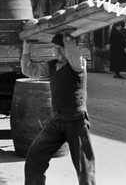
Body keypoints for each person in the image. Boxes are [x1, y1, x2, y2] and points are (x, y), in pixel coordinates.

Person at [21, 33, 95, 185]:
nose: (57, 52)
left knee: (84, 169)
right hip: (57, 121)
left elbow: (72, 53)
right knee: (35, 155)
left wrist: (68, 37)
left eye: (59, 48)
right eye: (56, 48)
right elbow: (27, 70)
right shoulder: (52, 65)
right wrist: (26, 46)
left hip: (76, 121)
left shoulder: (78, 63)